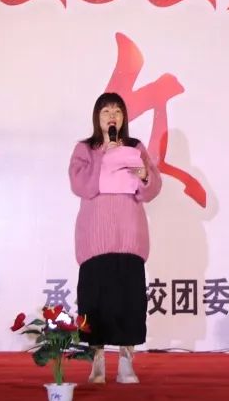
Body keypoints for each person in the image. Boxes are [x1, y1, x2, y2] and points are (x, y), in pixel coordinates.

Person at [68, 92, 162, 384]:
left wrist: (144, 174)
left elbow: (152, 188)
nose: (112, 116)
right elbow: (80, 185)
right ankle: (96, 362)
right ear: (97, 117)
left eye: (117, 111)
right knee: (94, 302)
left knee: (129, 302)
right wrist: (104, 156)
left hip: (129, 236)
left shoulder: (135, 147)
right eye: (106, 111)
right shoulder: (85, 149)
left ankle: (126, 361)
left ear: (124, 118)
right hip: (95, 239)